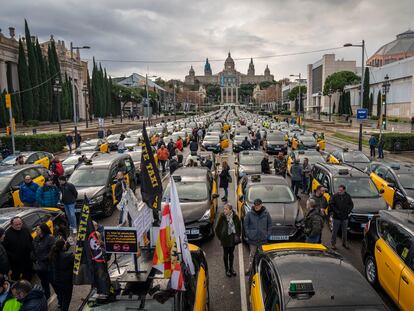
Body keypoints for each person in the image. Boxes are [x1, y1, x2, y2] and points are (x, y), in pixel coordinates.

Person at [244, 199, 272, 274]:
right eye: (255, 205)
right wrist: (248, 234)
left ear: (261, 205)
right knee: (252, 255)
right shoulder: (249, 214)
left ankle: (263, 270)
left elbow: (269, 224)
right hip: (253, 240)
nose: (257, 207)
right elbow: (245, 225)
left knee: (263, 255)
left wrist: (268, 235)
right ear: (254, 205)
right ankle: (250, 269)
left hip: (263, 239)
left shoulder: (266, 213)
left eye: (258, 205)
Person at [3, 217, 33, 281]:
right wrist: (13, 257)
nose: (19, 226)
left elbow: (31, 241)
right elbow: (4, 250)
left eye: (20, 224)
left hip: (27, 260)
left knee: (28, 277)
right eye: (16, 225)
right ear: (11, 225)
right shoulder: (7, 234)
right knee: (15, 279)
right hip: (15, 264)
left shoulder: (25, 229)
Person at [215, 204, 241, 277]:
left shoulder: (235, 217)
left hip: (232, 239)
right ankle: (227, 270)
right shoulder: (222, 217)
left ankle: (231, 268)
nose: (224, 210)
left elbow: (239, 227)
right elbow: (217, 229)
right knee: (226, 254)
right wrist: (221, 237)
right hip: (225, 240)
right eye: (224, 209)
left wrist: (238, 236)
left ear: (230, 210)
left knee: (231, 254)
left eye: (226, 209)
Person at [49, 239, 74, 311]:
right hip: (66, 282)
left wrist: (67, 245)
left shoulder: (53, 254)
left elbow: (63, 251)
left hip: (57, 280)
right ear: (63, 246)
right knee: (66, 299)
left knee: (62, 297)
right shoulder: (68, 256)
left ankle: (61, 305)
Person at [32, 223, 55, 299]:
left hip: (48, 266)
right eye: (36, 229)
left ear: (43, 230)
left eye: (38, 229)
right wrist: (33, 257)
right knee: (44, 283)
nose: (36, 231)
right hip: (39, 267)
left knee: (54, 282)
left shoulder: (50, 238)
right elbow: (33, 250)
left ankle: (60, 298)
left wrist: (43, 258)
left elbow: (52, 251)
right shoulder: (36, 238)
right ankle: (47, 296)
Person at [329, 185, 354, 250]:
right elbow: (331, 204)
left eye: (341, 190)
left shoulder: (348, 196)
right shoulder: (335, 196)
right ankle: (333, 244)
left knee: (345, 231)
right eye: (339, 190)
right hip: (336, 217)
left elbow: (351, 205)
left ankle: (344, 243)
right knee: (335, 231)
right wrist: (336, 211)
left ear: (344, 190)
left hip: (345, 217)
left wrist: (348, 212)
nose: (339, 191)